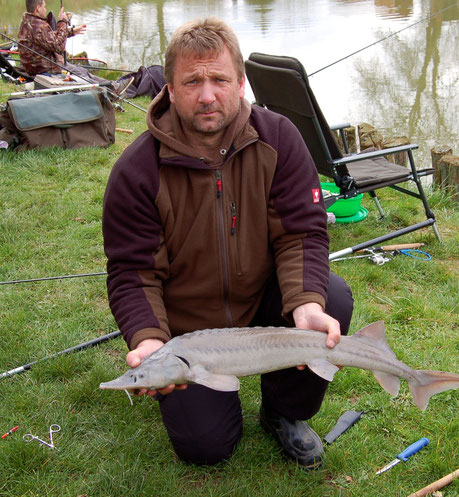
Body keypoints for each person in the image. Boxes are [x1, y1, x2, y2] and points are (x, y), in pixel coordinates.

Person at [102, 17, 354, 469]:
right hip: (189, 332)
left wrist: (306, 305)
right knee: (206, 448)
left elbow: (303, 233)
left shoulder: (279, 139)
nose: (206, 95)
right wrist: (149, 340)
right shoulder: (137, 171)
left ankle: (286, 413)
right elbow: (132, 272)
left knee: (330, 297)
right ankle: (207, 406)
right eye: (192, 81)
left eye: (219, 79)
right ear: (170, 89)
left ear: (240, 83)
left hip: (264, 301)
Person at [18, 0, 132, 95]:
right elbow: (58, 46)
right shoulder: (39, 26)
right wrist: (62, 22)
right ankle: (114, 89)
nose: (45, 9)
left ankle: (113, 85)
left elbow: (48, 39)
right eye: (44, 7)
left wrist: (70, 31)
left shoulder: (28, 21)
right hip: (46, 69)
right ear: (38, 8)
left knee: (82, 71)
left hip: (39, 66)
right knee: (81, 74)